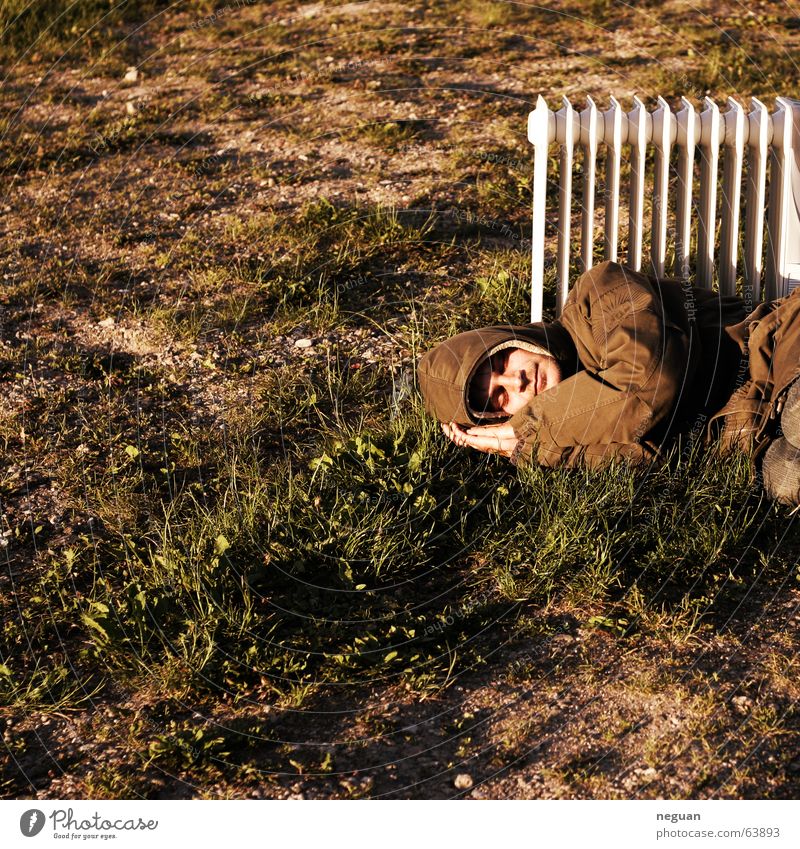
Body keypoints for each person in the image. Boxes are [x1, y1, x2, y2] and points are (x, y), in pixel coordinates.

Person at [417, 260, 800, 505]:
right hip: (754, 434)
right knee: (787, 479)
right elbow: (650, 459)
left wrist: (530, 428)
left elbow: (650, 380)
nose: (516, 380)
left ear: (513, 337)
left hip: (779, 347)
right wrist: (534, 450)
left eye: (500, 360)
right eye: (499, 397)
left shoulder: (596, 296)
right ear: (495, 423)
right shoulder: (560, 435)